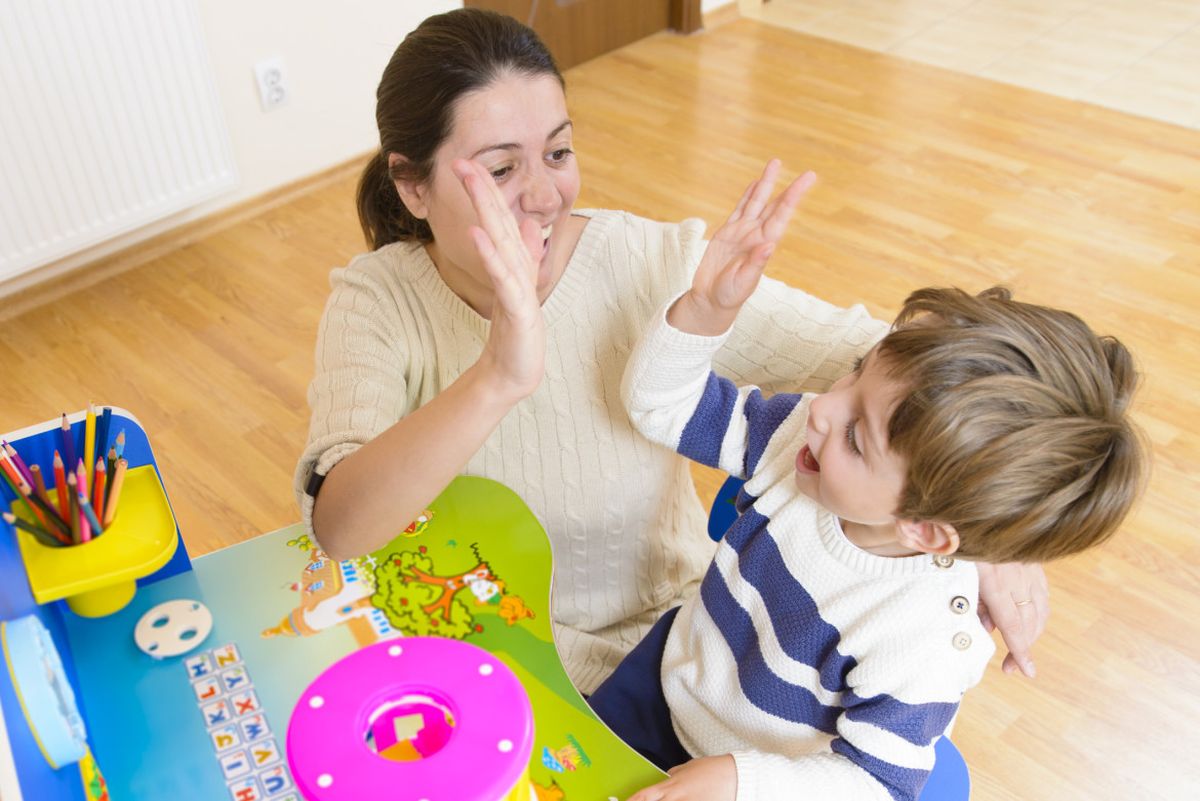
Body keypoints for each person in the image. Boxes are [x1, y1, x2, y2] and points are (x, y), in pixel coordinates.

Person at [294, 7, 1047, 695]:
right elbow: (341, 526)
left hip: (677, 653)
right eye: (500, 169)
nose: (546, 195)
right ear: (412, 185)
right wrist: (498, 374)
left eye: (557, 152)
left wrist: (986, 524)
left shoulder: (652, 263)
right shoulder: (376, 300)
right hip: (477, 656)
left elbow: (903, 361)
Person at [586, 179, 1146, 800]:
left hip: (770, 779)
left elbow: (877, 783)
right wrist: (705, 310)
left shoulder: (923, 641)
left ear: (925, 530)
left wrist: (741, 780)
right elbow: (661, 406)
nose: (822, 407)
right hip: (665, 688)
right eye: (855, 374)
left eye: (857, 435)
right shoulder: (797, 441)